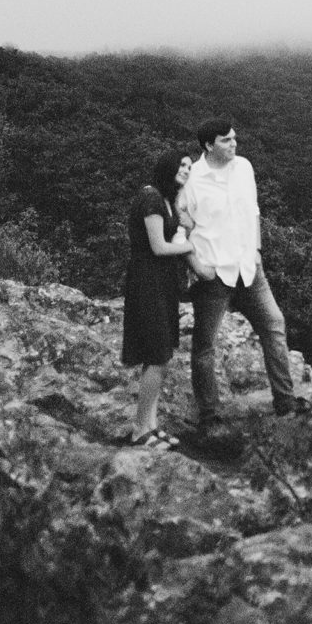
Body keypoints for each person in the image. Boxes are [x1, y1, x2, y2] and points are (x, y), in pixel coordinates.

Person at [180, 116, 303, 430]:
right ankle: (209, 416)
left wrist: (257, 251)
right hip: (214, 273)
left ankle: (286, 403)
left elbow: (254, 212)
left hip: (249, 268)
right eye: (226, 140)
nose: (234, 144)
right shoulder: (192, 179)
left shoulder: (244, 168)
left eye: (234, 138)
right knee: (205, 345)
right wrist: (197, 266)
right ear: (209, 145)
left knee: (274, 326)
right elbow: (179, 227)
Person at [121, 148, 196, 447]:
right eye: (182, 165)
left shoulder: (165, 199)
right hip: (147, 281)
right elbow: (159, 247)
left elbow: (183, 226)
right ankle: (140, 430)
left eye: (189, 167)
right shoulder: (151, 198)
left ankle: (151, 426)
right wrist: (189, 248)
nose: (186, 170)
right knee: (158, 356)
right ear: (168, 166)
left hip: (162, 283)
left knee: (159, 355)